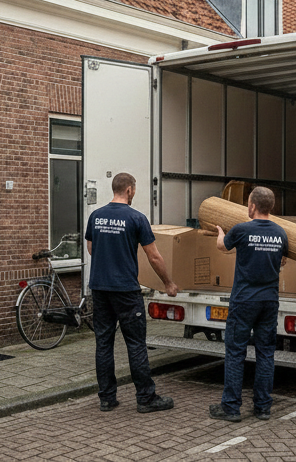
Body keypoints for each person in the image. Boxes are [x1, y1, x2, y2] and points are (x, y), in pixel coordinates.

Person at [85, 172, 178, 414]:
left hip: (99, 288)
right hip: (125, 290)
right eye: (134, 189)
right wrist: (168, 283)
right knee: (135, 344)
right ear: (129, 190)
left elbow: (91, 248)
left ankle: (107, 398)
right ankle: (145, 399)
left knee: (103, 343)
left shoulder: (96, 216)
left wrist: (108, 260)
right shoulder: (136, 218)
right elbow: (154, 256)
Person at [208, 187, 289, 422]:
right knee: (266, 354)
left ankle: (231, 408)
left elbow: (223, 247)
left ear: (252, 206)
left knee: (235, 353)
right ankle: (263, 407)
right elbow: (282, 259)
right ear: (271, 207)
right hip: (269, 301)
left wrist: (221, 233)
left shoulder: (242, 230)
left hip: (244, 300)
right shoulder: (281, 232)